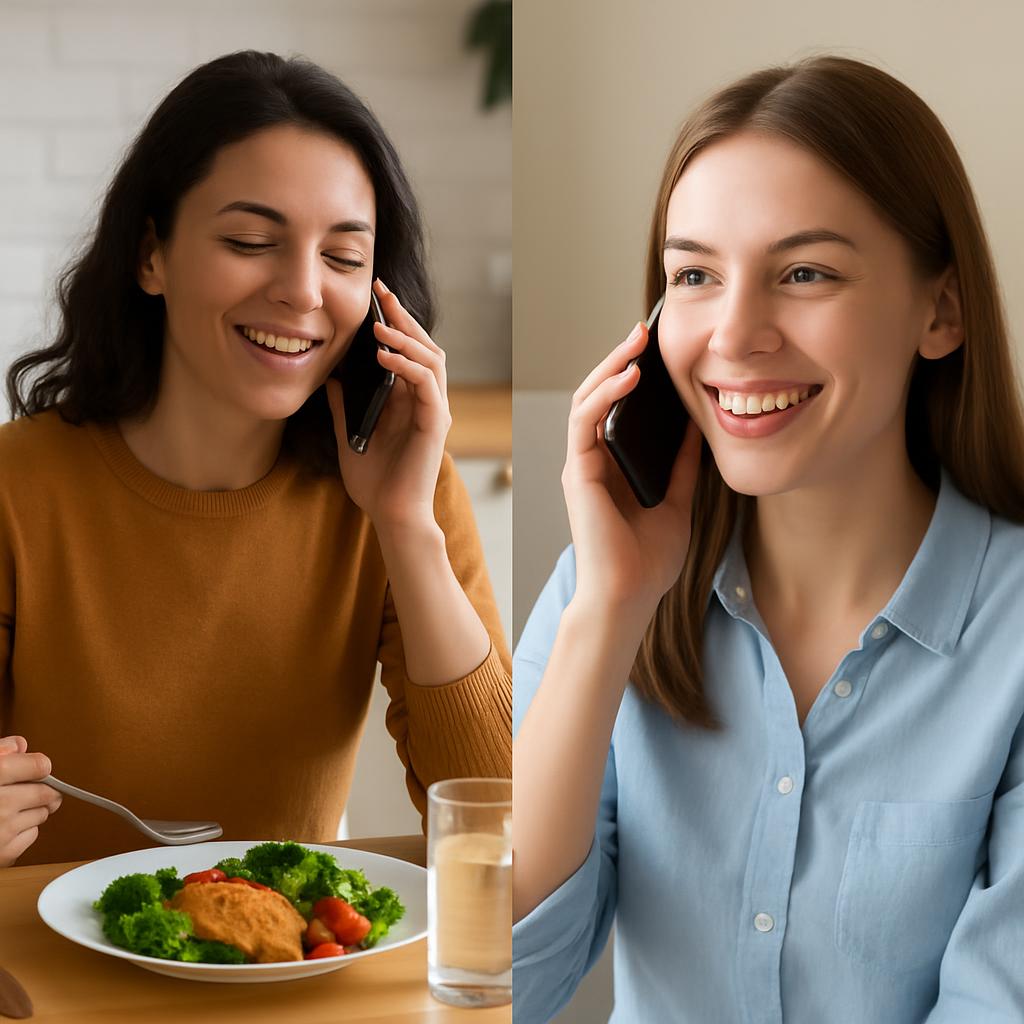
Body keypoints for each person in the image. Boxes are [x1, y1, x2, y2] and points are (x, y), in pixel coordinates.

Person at [512, 54, 1024, 1023]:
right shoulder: (599, 592)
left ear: (941, 310)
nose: (734, 332)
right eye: (694, 275)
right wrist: (607, 617)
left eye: (804, 273)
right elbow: (501, 989)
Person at [0, 51, 511, 868]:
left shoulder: (401, 486)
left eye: (343, 258)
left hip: (295, 946)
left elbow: (495, 821)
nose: (303, 291)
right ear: (151, 255)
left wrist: (406, 525)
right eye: (251, 241)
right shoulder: (17, 486)